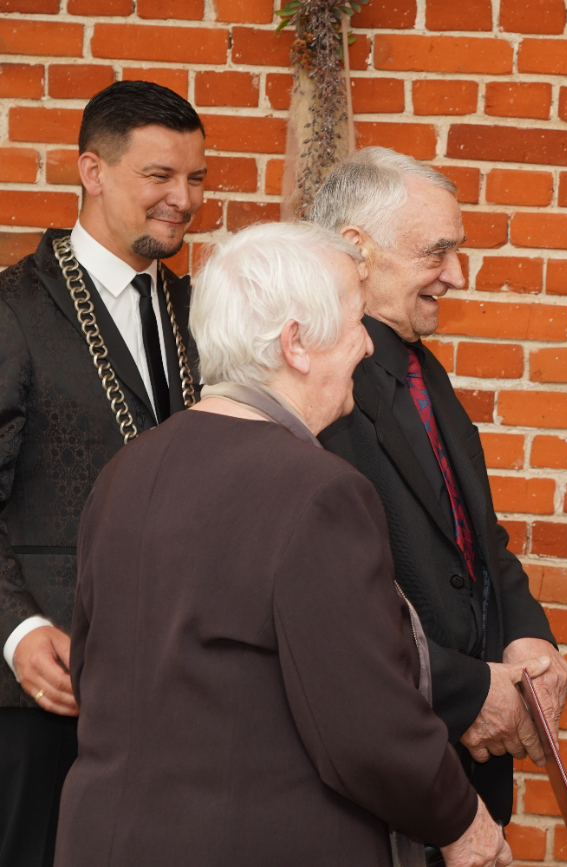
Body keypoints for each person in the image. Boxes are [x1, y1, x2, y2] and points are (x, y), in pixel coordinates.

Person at [55, 221, 512, 867]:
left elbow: (97, 672)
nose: (363, 347)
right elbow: (367, 724)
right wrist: (463, 821)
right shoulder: (320, 491)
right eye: (356, 322)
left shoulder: (127, 470)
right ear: (296, 343)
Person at [311, 147, 567, 830]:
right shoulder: (322, 394)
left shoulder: (424, 371)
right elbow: (344, 603)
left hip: (461, 771)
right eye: (437, 253)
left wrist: (527, 640)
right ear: (356, 249)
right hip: (389, 778)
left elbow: (478, 540)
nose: (456, 275)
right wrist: (469, 695)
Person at [0, 80, 203, 867]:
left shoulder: (197, 312)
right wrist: (16, 631)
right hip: (39, 694)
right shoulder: (14, 309)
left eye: (194, 180)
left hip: (170, 692)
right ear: (93, 171)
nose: (181, 200)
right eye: (159, 176)